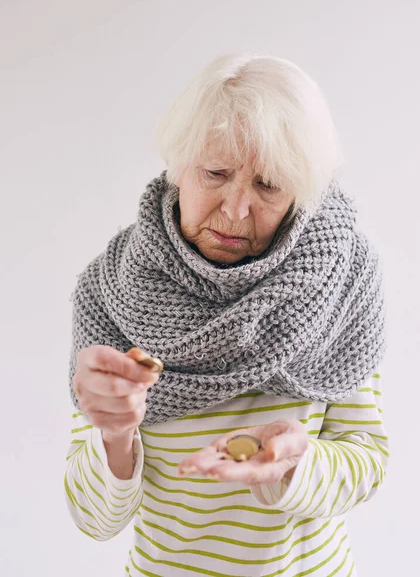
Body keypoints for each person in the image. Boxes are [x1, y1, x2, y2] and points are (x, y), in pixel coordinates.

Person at [65, 52, 388, 577]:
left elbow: (367, 460)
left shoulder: (340, 277)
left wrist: (297, 464)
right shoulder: (112, 291)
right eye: (216, 173)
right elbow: (93, 519)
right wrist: (114, 435)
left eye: (269, 185)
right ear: (177, 164)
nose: (237, 210)